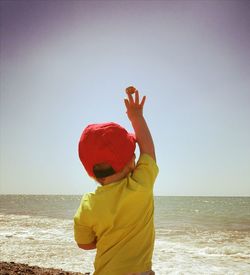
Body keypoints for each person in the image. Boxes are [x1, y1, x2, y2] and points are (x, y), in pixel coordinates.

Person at [74, 86, 159, 275]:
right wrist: (136, 117)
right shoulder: (140, 186)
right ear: (132, 162)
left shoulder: (88, 205)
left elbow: (84, 244)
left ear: (90, 172)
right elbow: (149, 151)